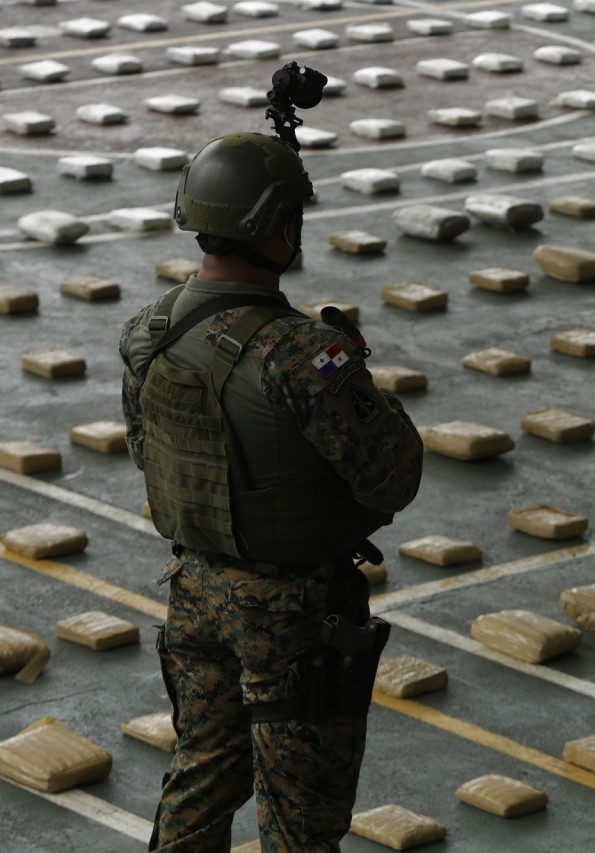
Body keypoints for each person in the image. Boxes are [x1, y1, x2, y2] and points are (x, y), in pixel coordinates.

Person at [119, 130, 423, 852]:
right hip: (293, 611)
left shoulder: (149, 331)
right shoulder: (300, 353)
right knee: (301, 817)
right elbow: (392, 476)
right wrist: (364, 382)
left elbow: (144, 450)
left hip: (193, 590)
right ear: (279, 226)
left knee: (201, 775)